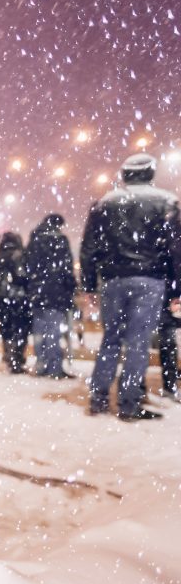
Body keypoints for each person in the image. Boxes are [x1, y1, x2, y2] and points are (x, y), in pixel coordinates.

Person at [81, 153, 181, 420]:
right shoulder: (166, 202)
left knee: (111, 339)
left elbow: (89, 249)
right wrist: (176, 289)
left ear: (124, 174)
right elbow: (176, 250)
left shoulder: (104, 203)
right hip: (149, 279)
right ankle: (128, 403)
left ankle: (99, 398)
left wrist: (90, 284)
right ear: (150, 173)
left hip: (113, 280)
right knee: (138, 342)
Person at [23, 213, 78, 378]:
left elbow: (28, 266)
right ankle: (54, 368)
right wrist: (70, 287)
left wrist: (33, 287)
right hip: (56, 292)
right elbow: (66, 267)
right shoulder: (60, 240)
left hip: (37, 293)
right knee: (53, 331)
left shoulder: (34, 240)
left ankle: (41, 365)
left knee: (39, 331)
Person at [0, 231, 30, 374]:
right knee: (21, 330)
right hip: (20, 299)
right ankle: (17, 359)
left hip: (2, 301)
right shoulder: (22, 257)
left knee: (6, 330)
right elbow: (26, 278)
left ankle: (9, 356)